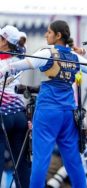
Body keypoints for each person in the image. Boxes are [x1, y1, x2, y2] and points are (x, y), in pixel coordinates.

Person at [0, 20, 87, 188]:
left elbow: (24, 65)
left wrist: (5, 68)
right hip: (69, 113)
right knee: (74, 161)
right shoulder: (74, 56)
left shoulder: (47, 52)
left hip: (47, 112)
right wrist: (84, 52)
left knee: (40, 160)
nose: (46, 35)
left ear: (58, 35)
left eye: (48, 32)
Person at [0, 25, 31, 188]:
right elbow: (21, 44)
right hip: (19, 115)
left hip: (2, 115)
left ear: (5, 42)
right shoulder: (19, 57)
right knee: (22, 164)